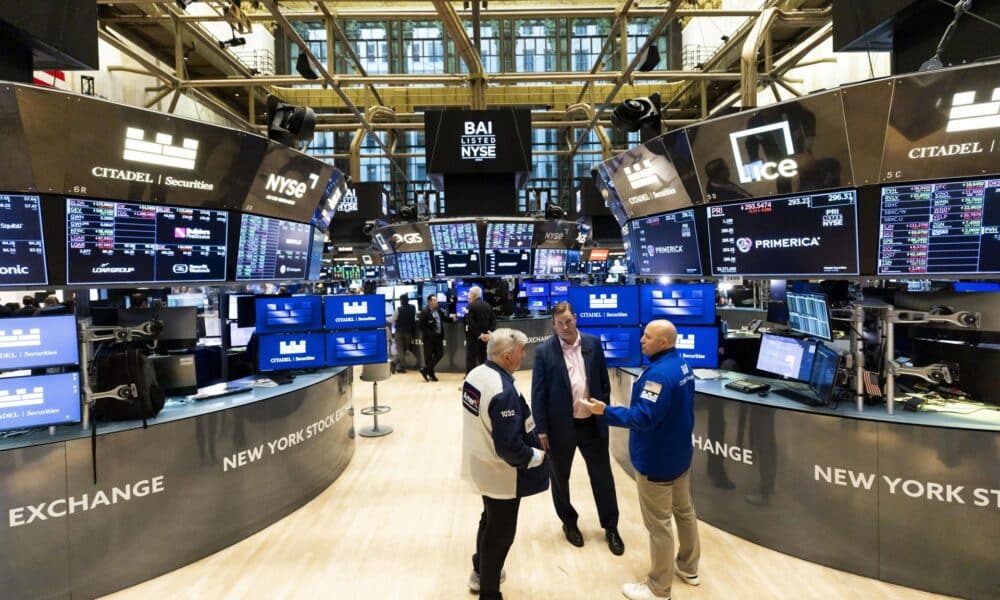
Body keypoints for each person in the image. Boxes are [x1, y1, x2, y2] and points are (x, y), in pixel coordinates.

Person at [581, 320, 701, 600]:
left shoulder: (657, 376)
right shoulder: (682, 366)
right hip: (680, 455)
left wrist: (605, 411)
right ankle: (689, 567)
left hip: (656, 461)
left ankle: (659, 588)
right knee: (685, 512)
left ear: (663, 343)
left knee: (659, 525)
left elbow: (642, 417)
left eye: (647, 337)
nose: (641, 340)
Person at [461, 328, 548, 600]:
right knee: (501, 534)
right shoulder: (503, 392)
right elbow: (510, 447)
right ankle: (489, 591)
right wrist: (535, 457)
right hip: (502, 474)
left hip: (481, 465)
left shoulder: (476, 375)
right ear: (509, 356)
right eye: (522, 351)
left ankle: (480, 570)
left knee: (489, 521)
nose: (525, 354)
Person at [531, 301, 623, 555]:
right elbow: (538, 394)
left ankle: (611, 527)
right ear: (553, 324)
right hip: (561, 427)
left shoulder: (593, 344)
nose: (565, 327)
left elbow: (604, 384)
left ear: (577, 319)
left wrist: (602, 407)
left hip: (592, 425)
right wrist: (542, 431)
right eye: (559, 323)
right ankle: (569, 523)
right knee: (560, 478)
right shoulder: (544, 352)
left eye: (569, 321)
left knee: (602, 477)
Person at [418, 293, 455, 382]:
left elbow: (444, 318)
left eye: (436, 300)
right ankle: (431, 375)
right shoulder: (424, 312)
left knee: (440, 354)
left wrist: (452, 319)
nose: (436, 302)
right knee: (429, 357)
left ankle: (425, 370)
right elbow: (421, 326)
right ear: (429, 302)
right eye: (434, 300)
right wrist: (430, 334)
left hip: (438, 337)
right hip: (428, 339)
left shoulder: (438, 310)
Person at [463, 285, 496, 374]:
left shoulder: (470, 306)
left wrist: (480, 335)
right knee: (484, 360)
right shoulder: (488, 305)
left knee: (471, 360)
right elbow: (493, 321)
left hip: (473, 339)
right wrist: (488, 333)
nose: (468, 295)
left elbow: (470, 323)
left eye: (469, 293)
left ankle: (470, 381)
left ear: (473, 295)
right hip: (486, 339)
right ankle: (485, 379)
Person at [390, 294, 419, 373]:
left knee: (400, 350)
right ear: (408, 300)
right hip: (409, 332)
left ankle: (399, 366)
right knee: (403, 350)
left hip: (399, 332)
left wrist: (383, 319)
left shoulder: (398, 309)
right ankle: (395, 364)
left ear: (401, 301)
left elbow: (392, 319)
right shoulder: (413, 308)